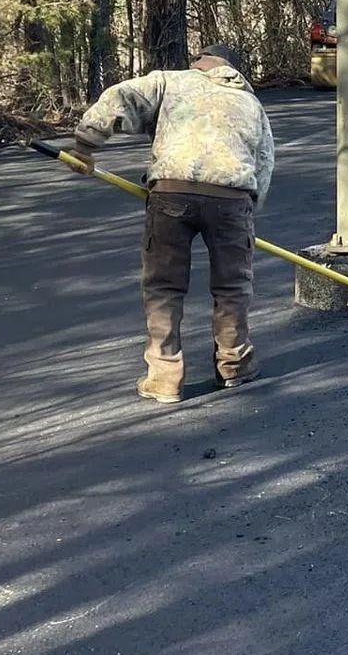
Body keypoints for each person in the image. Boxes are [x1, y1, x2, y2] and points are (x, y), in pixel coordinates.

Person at [66, 43, 276, 403]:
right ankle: (234, 365)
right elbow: (264, 163)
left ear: (199, 62)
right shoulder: (250, 104)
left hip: (171, 193)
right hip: (231, 199)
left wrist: (86, 143)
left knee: (163, 286)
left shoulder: (170, 82)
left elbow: (122, 97)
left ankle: (164, 377)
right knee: (232, 287)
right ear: (234, 70)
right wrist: (246, 214)